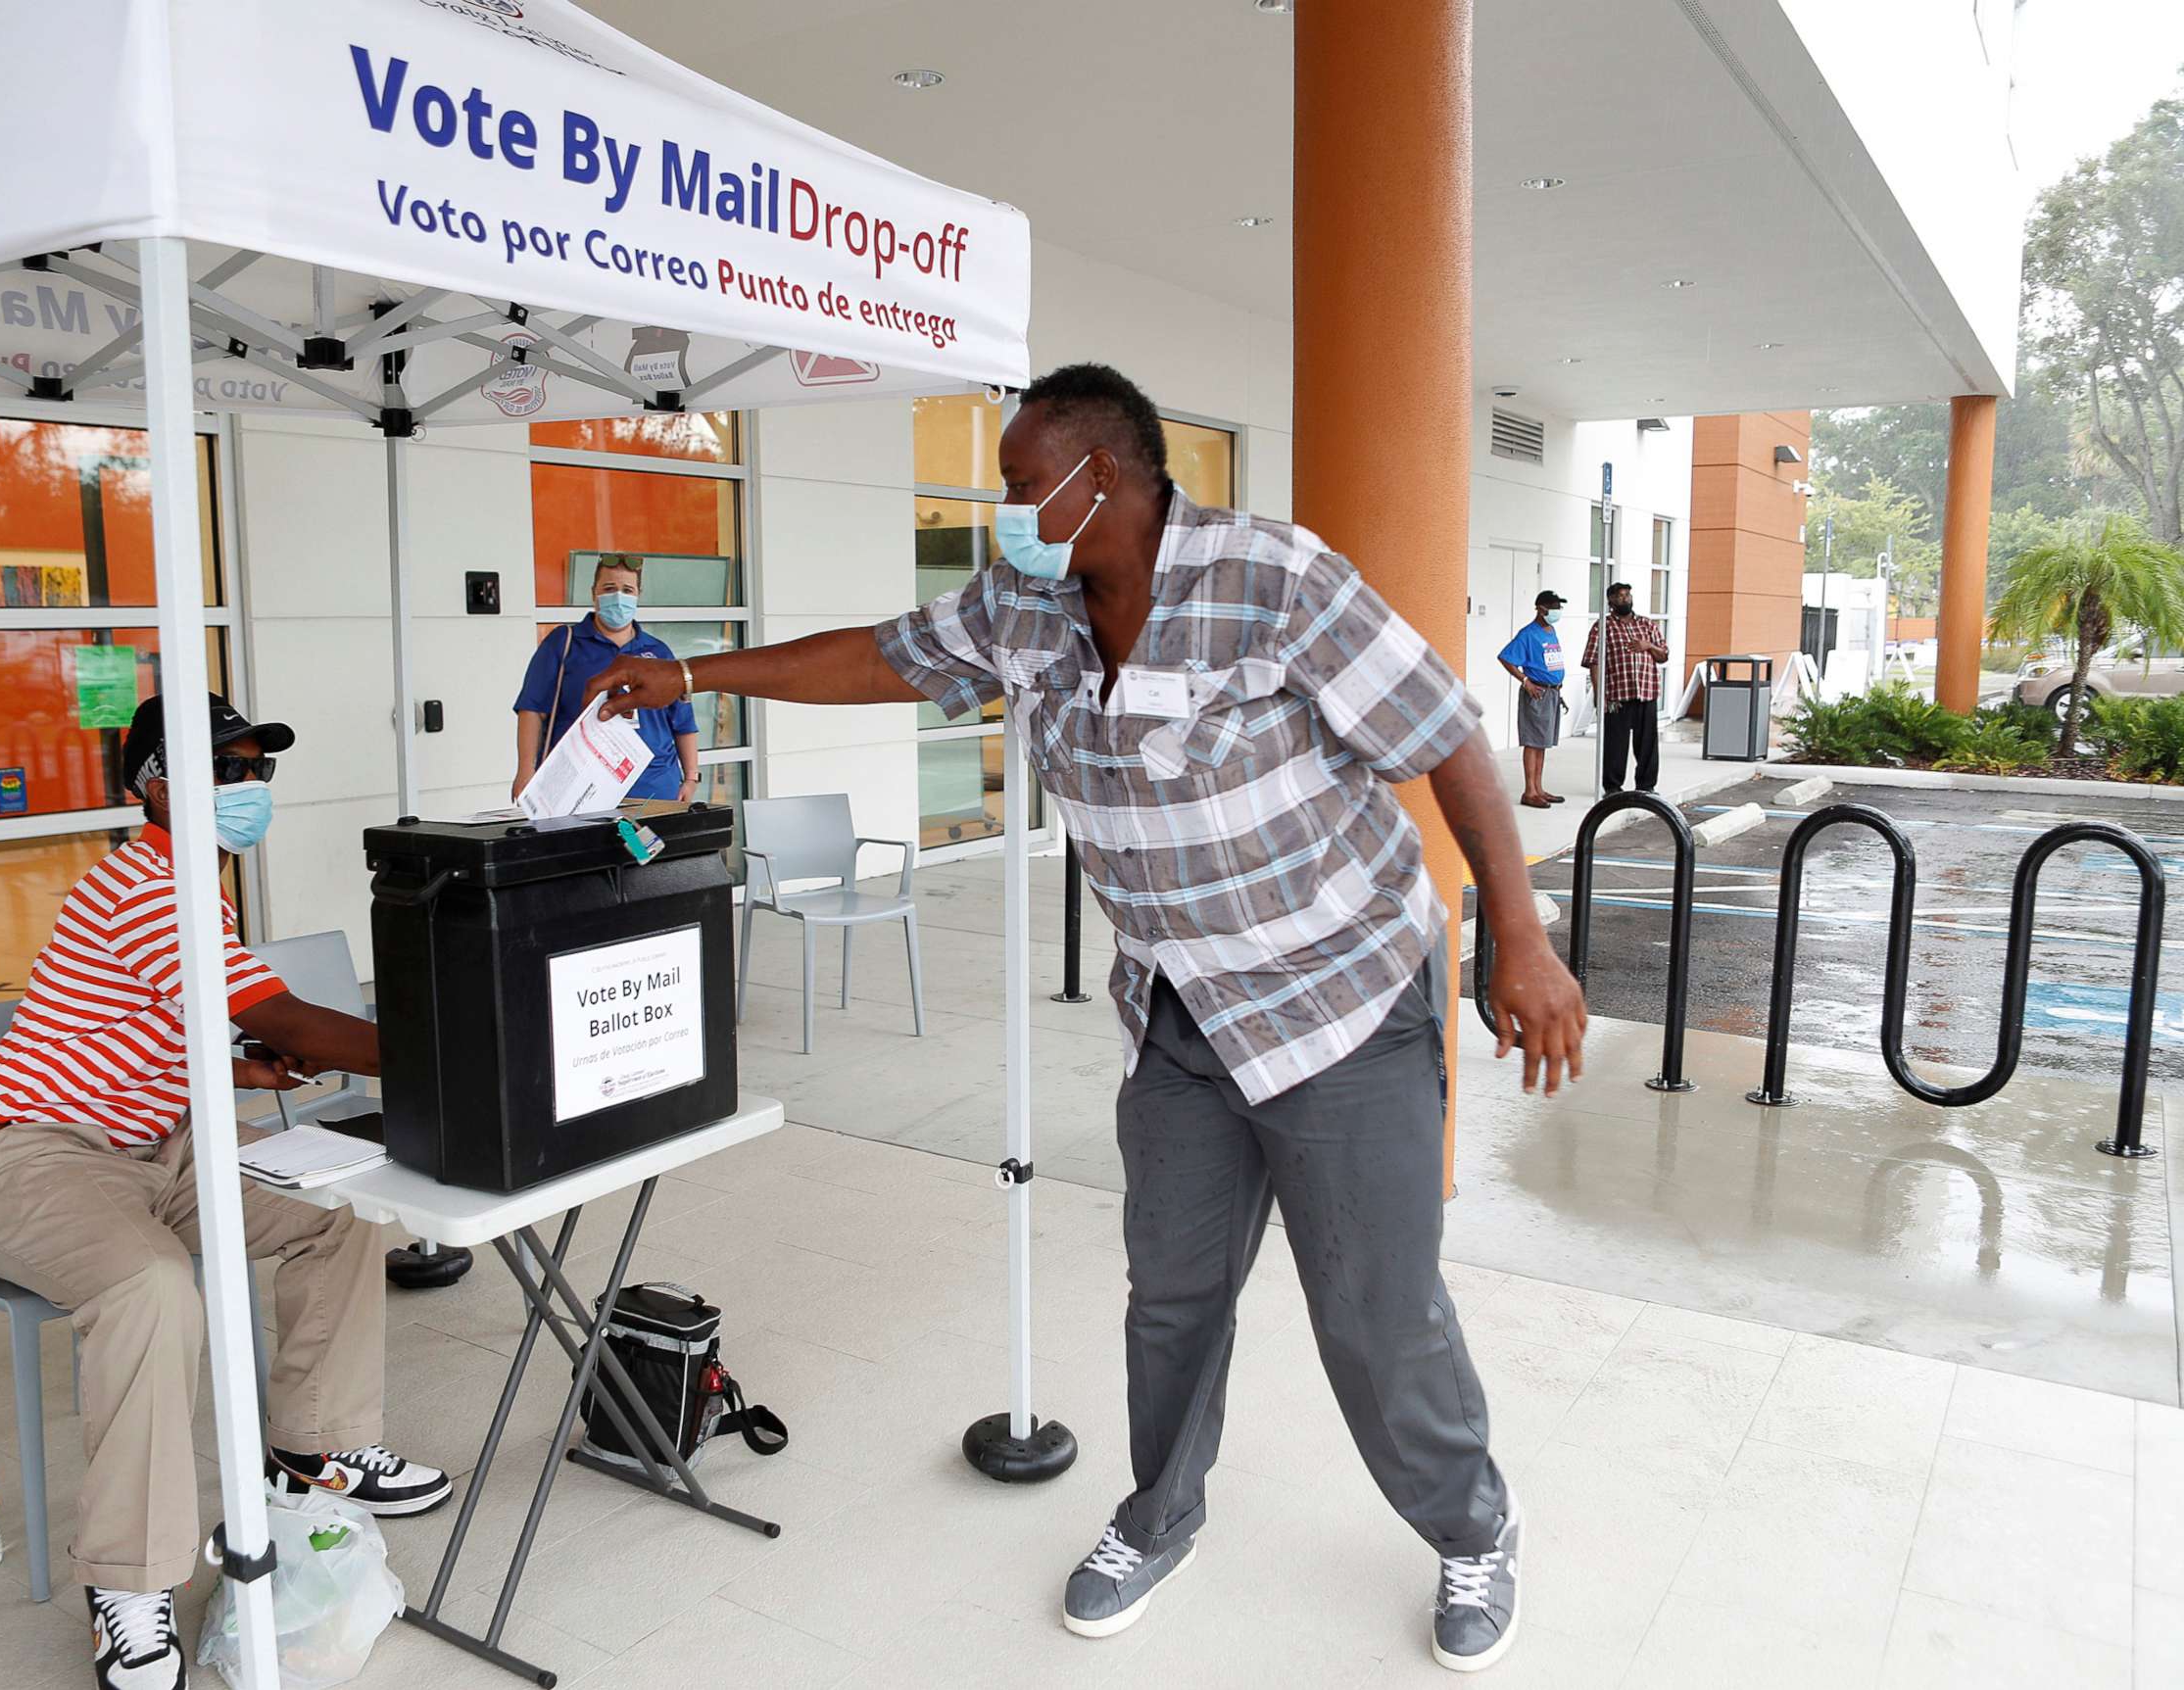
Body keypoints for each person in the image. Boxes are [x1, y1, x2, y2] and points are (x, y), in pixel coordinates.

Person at [589, 363, 1587, 1673]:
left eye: (1015, 485)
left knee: (1374, 1310)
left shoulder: (1272, 580)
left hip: (1337, 1001)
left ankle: (1474, 1522)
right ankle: (1158, 1511)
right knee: (1170, 1297)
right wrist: (695, 674)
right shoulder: (1028, 605)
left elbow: (1448, 732)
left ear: (1099, 476)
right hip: (1177, 1014)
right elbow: (884, 657)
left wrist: (1521, 935)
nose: (1002, 509)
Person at [0, 694, 450, 1690]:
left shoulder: (195, 890)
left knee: (341, 1210)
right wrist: (446, 1058)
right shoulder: (148, 884)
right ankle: (129, 1582)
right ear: (157, 785)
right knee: (154, 1291)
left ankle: (317, 1451)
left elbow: (181, 1023)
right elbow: (285, 1016)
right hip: (27, 1157)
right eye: (229, 769)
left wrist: (239, 1066)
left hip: (155, 1148)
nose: (250, 788)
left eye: (258, 769)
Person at [512, 554, 700, 803]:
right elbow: (532, 709)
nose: (618, 597)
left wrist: (690, 777)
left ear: (638, 595)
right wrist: (526, 771)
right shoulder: (564, 643)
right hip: (580, 788)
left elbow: (683, 722)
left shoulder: (658, 652)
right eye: (609, 588)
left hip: (655, 789)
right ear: (594, 593)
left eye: (627, 589)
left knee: (654, 844)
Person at [1584, 579, 1669, 794]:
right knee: (1615, 745)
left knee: (1647, 745)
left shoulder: (1647, 625)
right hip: (1617, 695)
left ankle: (1646, 787)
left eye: (1628, 595)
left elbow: (1664, 656)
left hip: (1646, 693)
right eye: (1620, 596)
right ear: (1611, 600)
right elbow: (1594, 661)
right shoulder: (1603, 626)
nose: (1625, 599)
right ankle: (1613, 787)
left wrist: (1647, 645)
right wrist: (1599, 694)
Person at [1495, 590, 1571, 808]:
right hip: (1538, 692)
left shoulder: (1551, 630)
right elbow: (1505, 657)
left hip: (1552, 692)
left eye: (1559, 606)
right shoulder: (1528, 634)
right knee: (1533, 741)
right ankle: (1529, 791)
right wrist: (1525, 680)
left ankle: (1538, 788)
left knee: (1543, 743)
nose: (1557, 611)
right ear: (1541, 609)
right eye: (1553, 606)